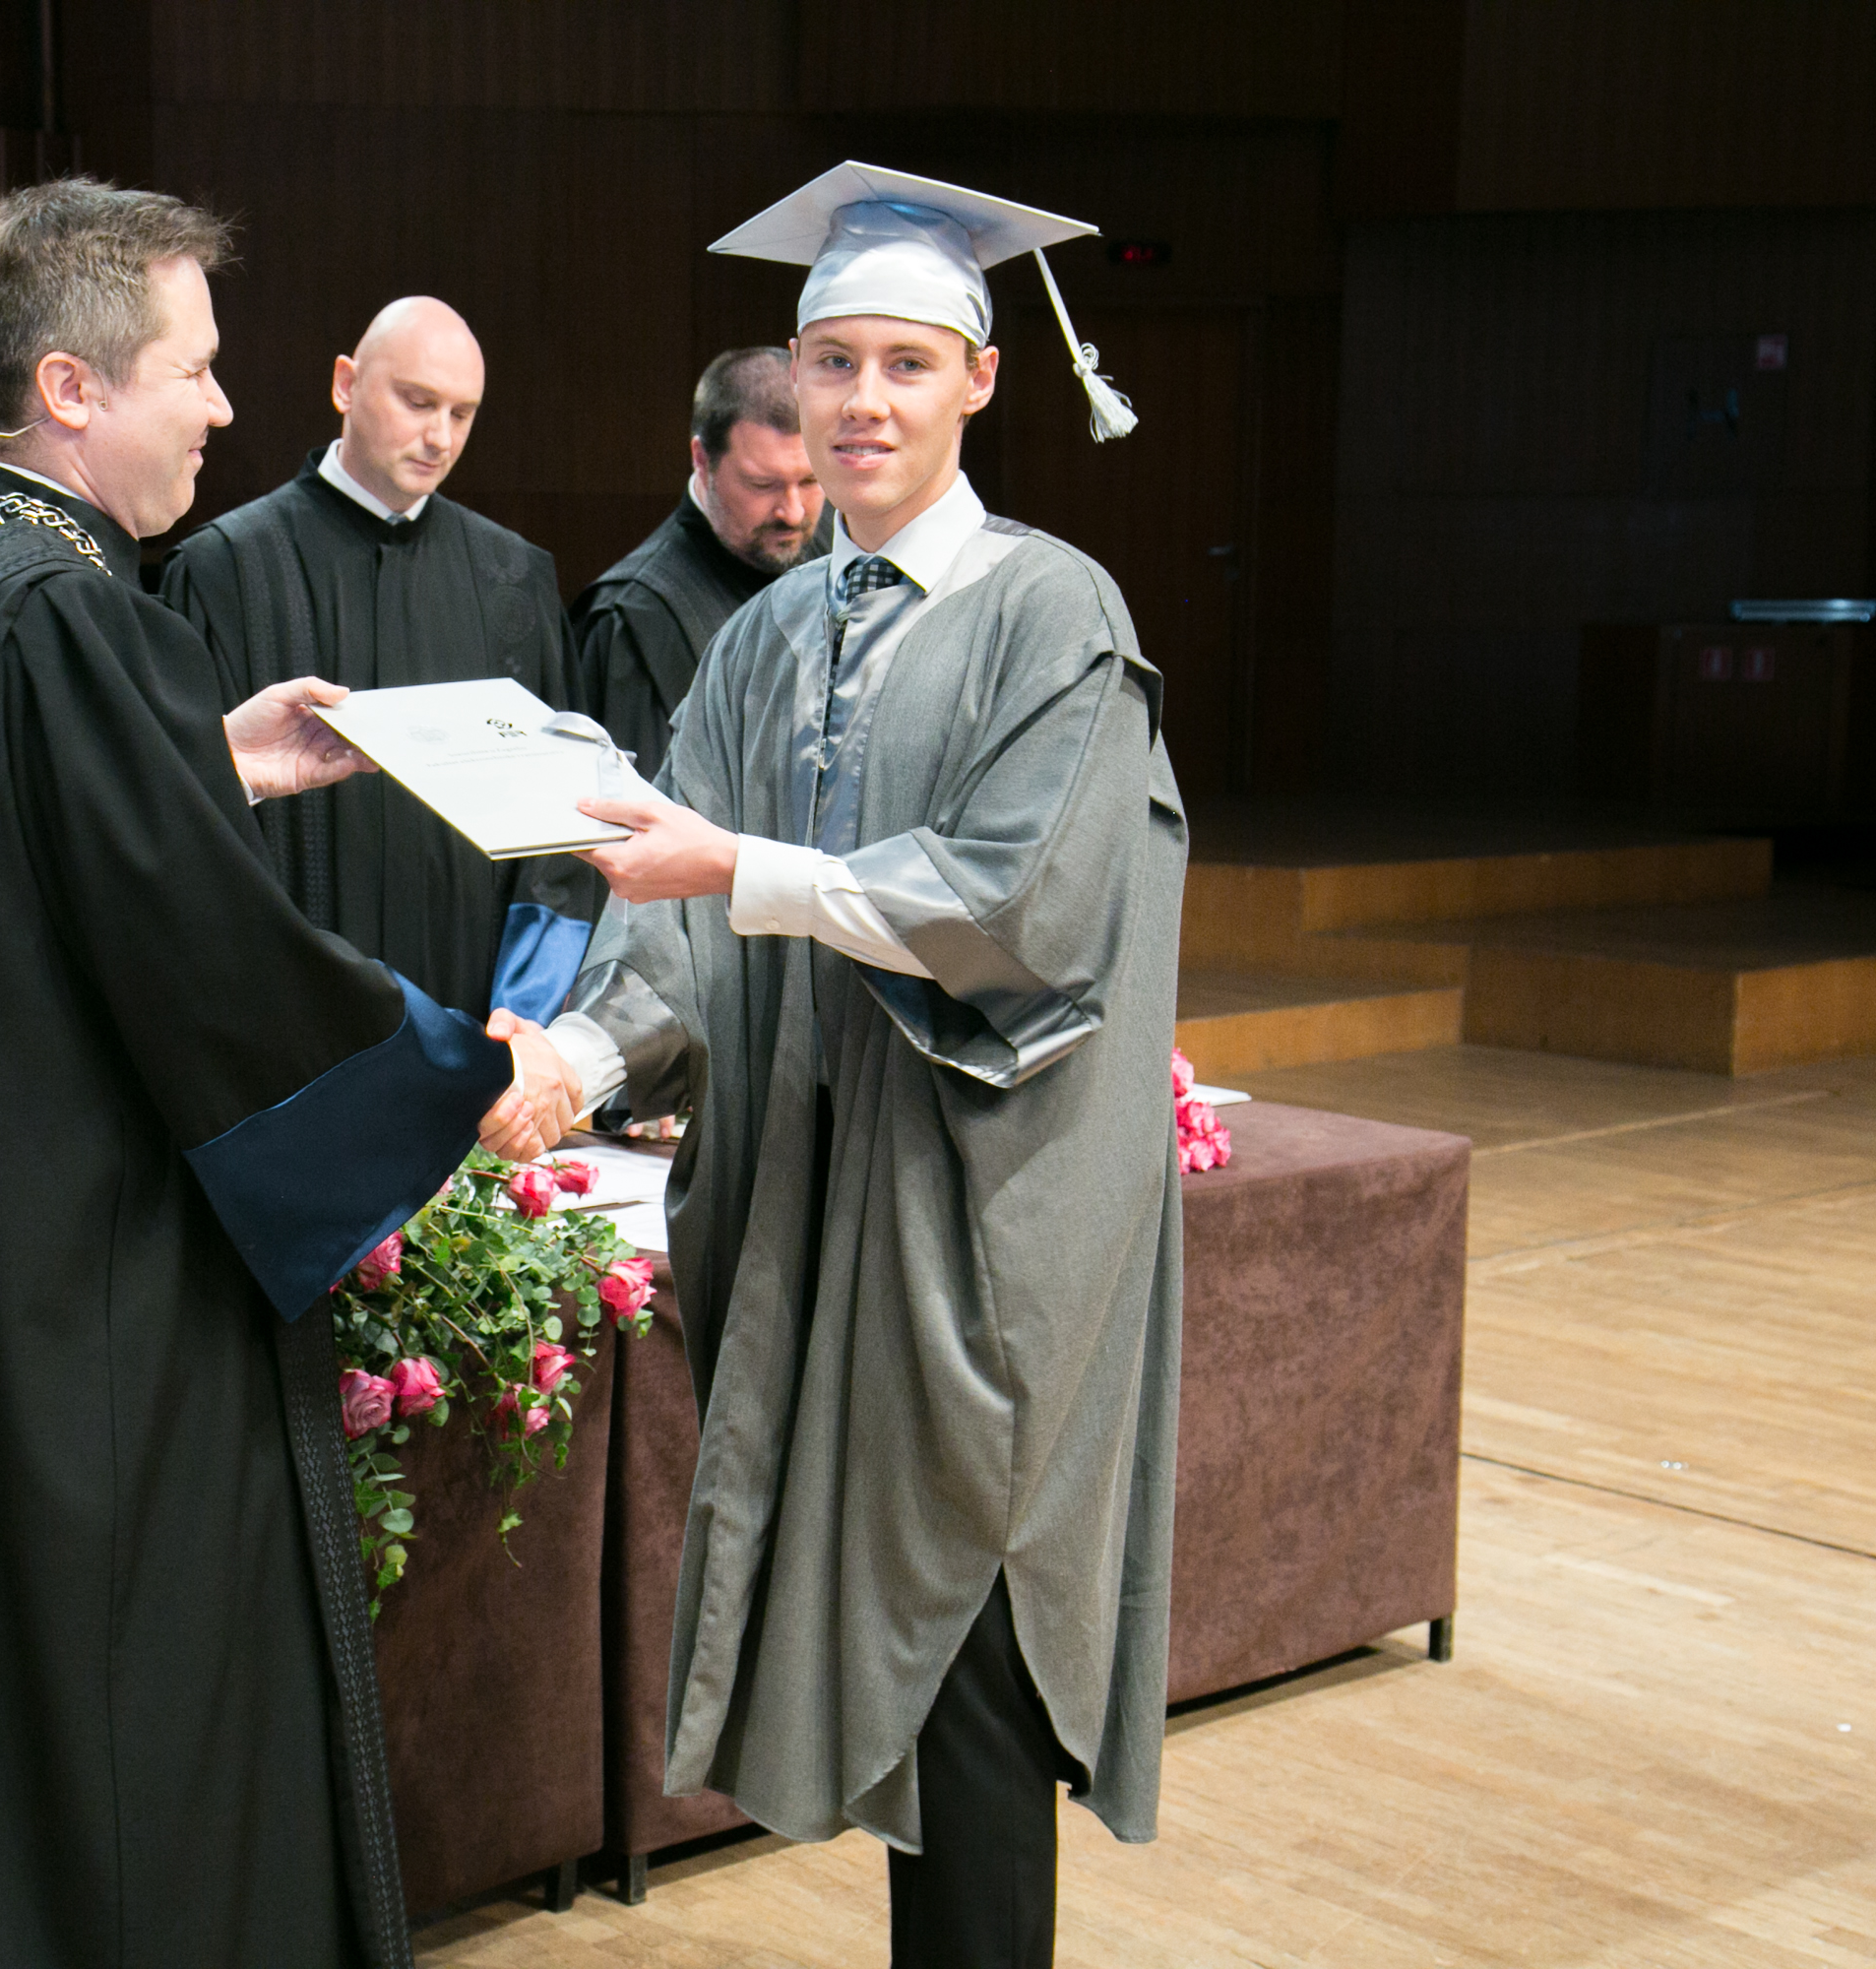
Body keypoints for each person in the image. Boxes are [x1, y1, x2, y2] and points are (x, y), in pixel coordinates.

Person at [0, 179, 572, 1969]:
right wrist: (452, 1058)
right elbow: (210, 970)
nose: (220, 404)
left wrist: (209, 763)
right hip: (90, 1286)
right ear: (71, 386)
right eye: (192, 369)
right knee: (131, 1709)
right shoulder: (69, 611)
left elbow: (26, 858)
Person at [503, 162, 1176, 1968]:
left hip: (977, 1228)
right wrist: (573, 1051)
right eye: (832, 362)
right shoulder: (772, 636)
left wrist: (739, 867)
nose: (861, 402)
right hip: (813, 1215)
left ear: (982, 381)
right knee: (883, 1649)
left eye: (904, 363)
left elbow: (1021, 904)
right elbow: (677, 924)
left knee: (970, 1653)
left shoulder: (1056, 615)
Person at [161, 296, 597, 1025]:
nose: (439, 437)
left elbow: (560, 830)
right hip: (286, 1023)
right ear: (346, 384)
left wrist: (523, 1019)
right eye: (417, 402)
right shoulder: (225, 570)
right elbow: (192, 819)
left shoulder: (514, 580)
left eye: (462, 413)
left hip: (479, 1020)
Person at [569, 347, 822, 773]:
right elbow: (642, 805)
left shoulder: (845, 544)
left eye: (811, 480)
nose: (793, 512)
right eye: (763, 484)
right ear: (702, 461)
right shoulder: (633, 623)